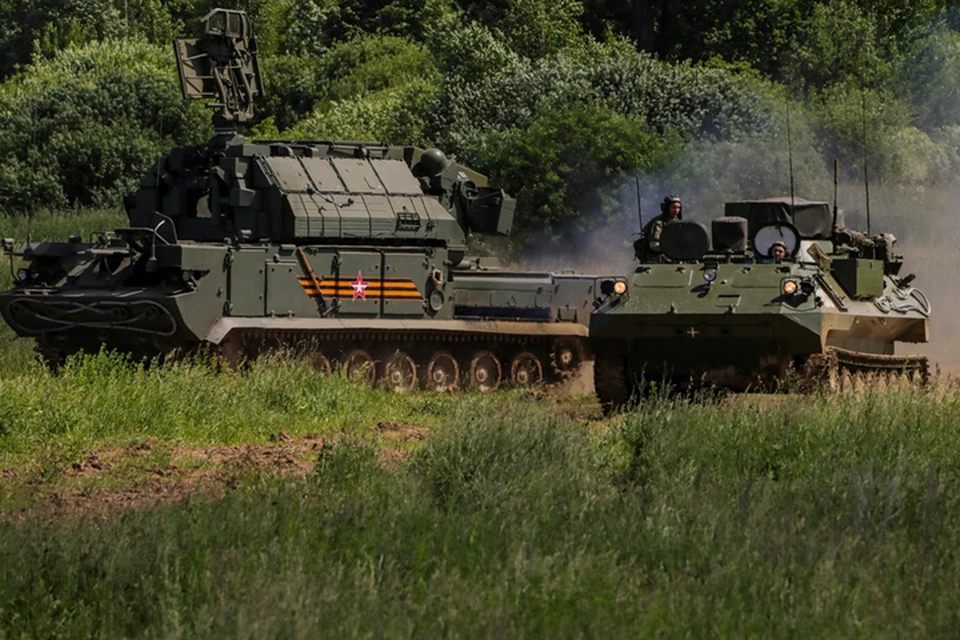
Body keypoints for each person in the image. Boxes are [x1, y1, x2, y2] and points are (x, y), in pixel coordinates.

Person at [640, 195, 683, 261]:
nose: (676, 210)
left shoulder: (677, 223)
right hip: (658, 259)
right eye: (673, 207)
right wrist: (673, 248)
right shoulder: (658, 223)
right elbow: (654, 246)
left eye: (678, 208)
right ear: (666, 207)